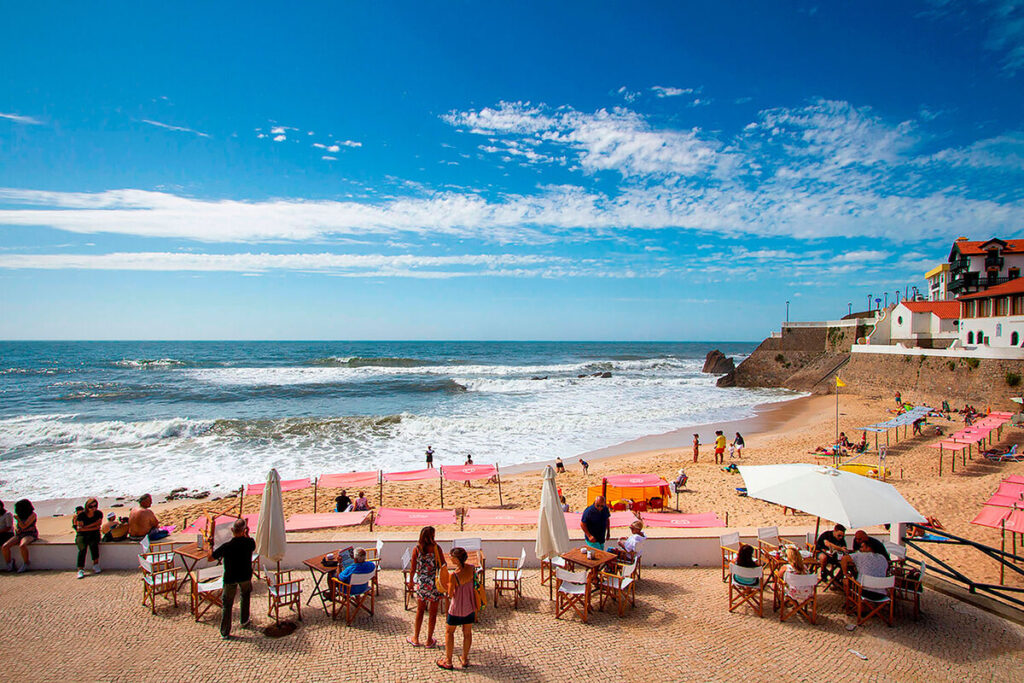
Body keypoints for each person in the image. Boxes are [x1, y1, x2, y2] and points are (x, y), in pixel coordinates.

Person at [210, 518, 256, 640]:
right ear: (244, 530)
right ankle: (244, 620)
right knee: (245, 596)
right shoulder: (249, 543)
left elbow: (210, 558)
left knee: (227, 604)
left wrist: (211, 545)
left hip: (230, 578)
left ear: (232, 530)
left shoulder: (227, 546)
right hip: (245, 576)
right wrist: (246, 534)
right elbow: (252, 545)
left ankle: (225, 631)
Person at [437, 546, 475, 670]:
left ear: (457, 559)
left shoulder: (454, 575)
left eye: (451, 556)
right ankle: (464, 658)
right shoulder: (471, 569)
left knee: (449, 632)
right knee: (467, 633)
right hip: (469, 606)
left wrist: (447, 585)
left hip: (457, 607)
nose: (449, 558)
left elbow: (450, 593)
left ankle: (448, 661)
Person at [408, 526, 443, 648]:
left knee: (420, 611)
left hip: (422, 582)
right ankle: (429, 640)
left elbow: (412, 568)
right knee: (433, 613)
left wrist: (411, 582)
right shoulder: (436, 548)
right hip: (434, 583)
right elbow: (443, 565)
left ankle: (416, 637)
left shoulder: (417, 549)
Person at [2, 499, 38, 572]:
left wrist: (18, 519)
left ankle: (26, 563)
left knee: (22, 545)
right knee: (5, 546)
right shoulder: (20, 515)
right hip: (20, 533)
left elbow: (24, 526)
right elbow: (17, 526)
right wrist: (17, 528)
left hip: (30, 533)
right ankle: (9, 563)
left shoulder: (32, 515)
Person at [74, 497, 103, 579]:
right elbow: (79, 529)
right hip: (82, 534)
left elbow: (98, 527)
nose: (93, 508)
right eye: (91, 506)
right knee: (82, 549)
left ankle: (96, 565)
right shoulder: (81, 515)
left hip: (94, 534)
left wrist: (86, 527)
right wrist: (93, 525)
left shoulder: (98, 513)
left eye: (95, 506)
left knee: (94, 545)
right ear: (87, 507)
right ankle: (80, 569)